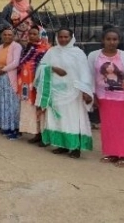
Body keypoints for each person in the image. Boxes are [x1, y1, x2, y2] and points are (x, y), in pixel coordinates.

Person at [35, 28, 94, 159]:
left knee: (73, 119)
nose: (63, 39)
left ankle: (75, 147)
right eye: (60, 37)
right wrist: (53, 68)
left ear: (71, 37)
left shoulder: (78, 53)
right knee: (59, 119)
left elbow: (85, 73)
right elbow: (41, 67)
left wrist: (85, 90)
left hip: (73, 92)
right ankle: (62, 145)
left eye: (66, 37)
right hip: (55, 92)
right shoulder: (52, 51)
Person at [88, 27, 124, 168]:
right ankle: (111, 153)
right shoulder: (94, 56)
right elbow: (90, 76)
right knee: (108, 126)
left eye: (115, 39)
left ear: (119, 41)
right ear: (102, 40)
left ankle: (123, 155)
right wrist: (92, 94)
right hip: (104, 96)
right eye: (108, 39)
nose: (111, 42)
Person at [17, 25, 50, 145]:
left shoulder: (46, 49)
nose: (31, 36)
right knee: (31, 109)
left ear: (41, 35)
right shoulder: (29, 48)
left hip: (38, 85)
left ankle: (44, 136)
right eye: (30, 34)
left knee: (41, 109)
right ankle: (36, 133)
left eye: (34, 34)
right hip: (27, 85)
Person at [0, 28, 23, 139]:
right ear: (2, 36)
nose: (7, 36)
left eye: (10, 34)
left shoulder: (16, 46)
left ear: (13, 36)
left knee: (11, 103)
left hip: (9, 78)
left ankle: (14, 129)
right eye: (5, 34)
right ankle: (6, 127)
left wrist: (2, 70)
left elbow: (15, 62)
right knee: (2, 102)